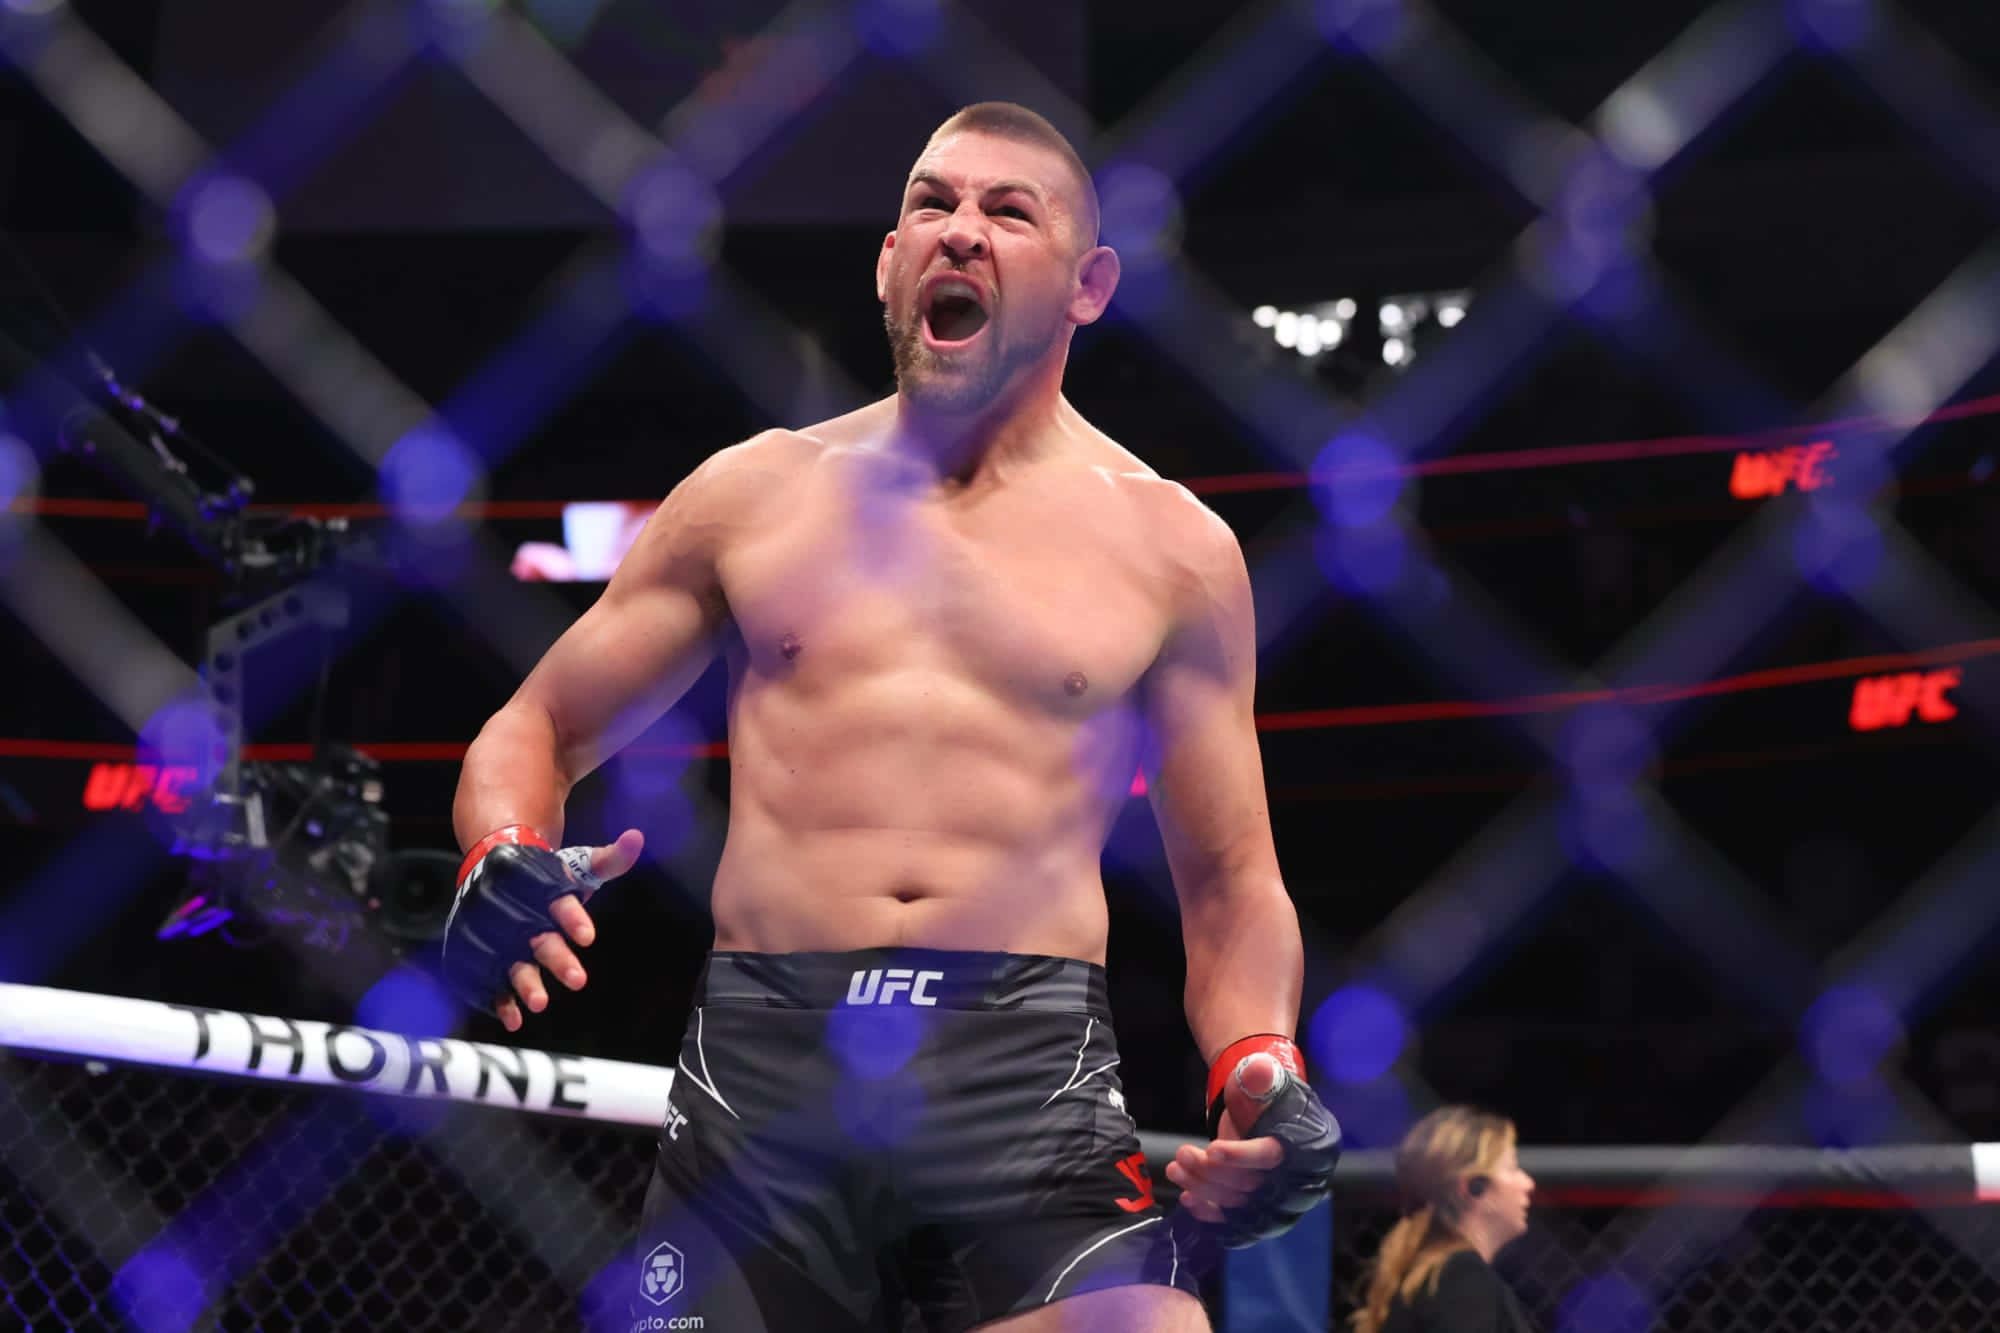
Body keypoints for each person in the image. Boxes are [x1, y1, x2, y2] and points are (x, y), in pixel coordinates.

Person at [444, 100, 1339, 1333]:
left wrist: (1260, 1056)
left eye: (1007, 212)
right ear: (887, 262)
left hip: (1018, 1068)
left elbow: (1231, 881)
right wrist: (500, 844)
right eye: (932, 203)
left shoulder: (1172, 549)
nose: (959, 231)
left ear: (1087, 287)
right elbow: (535, 726)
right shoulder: (753, 496)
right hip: (767, 1066)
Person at [1352, 1107, 1537, 1333]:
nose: (1528, 1183)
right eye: (1512, 1168)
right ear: (1474, 1187)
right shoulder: (1462, 1278)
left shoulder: (1438, 1274)